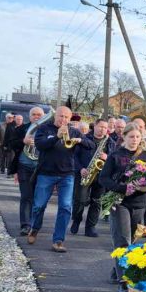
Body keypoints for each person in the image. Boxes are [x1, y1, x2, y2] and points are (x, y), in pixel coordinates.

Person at [99, 124, 146, 292]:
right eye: (131, 136)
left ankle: (116, 270)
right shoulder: (116, 155)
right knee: (122, 241)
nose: (134, 140)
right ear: (124, 137)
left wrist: (143, 187)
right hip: (120, 202)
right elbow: (103, 178)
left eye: (137, 137)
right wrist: (123, 188)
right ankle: (124, 282)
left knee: (131, 242)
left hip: (139, 204)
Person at [28, 106, 91, 253]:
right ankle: (35, 228)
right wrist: (56, 136)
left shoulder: (74, 131)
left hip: (67, 175)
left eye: (66, 117)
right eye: (61, 116)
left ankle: (58, 240)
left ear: (70, 119)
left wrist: (80, 140)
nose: (63, 119)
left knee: (65, 207)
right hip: (46, 173)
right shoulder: (44, 128)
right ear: (55, 116)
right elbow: (40, 145)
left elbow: (91, 145)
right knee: (39, 205)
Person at [70, 118, 110, 237]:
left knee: (97, 202)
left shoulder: (110, 142)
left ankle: (90, 227)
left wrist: (107, 157)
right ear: (95, 126)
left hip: (101, 175)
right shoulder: (84, 138)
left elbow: (115, 158)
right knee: (80, 200)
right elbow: (74, 156)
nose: (102, 129)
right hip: (84, 173)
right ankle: (76, 221)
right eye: (100, 126)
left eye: (105, 127)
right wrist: (80, 168)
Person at [8, 106, 45, 235]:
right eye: (34, 114)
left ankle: (35, 224)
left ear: (44, 116)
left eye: (39, 114)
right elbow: (11, 143)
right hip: (24, 166)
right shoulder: (21, 129)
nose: (36, 117)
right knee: (26, 196)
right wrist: (23, 141)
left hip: (42, 168)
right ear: (29, 116)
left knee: (39, 198)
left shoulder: (48, 129)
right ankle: (25, 225)